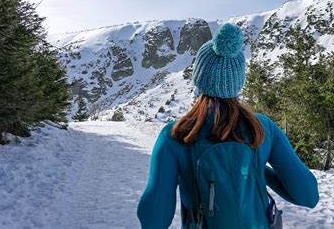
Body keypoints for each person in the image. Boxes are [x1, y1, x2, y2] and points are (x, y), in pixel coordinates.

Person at [137, 23, 319, 229]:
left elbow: (153, 220)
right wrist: (256, 169)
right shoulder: (262, 128)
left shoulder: (176, 135)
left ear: (199, 79)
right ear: (237, 82)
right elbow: (308, 196)